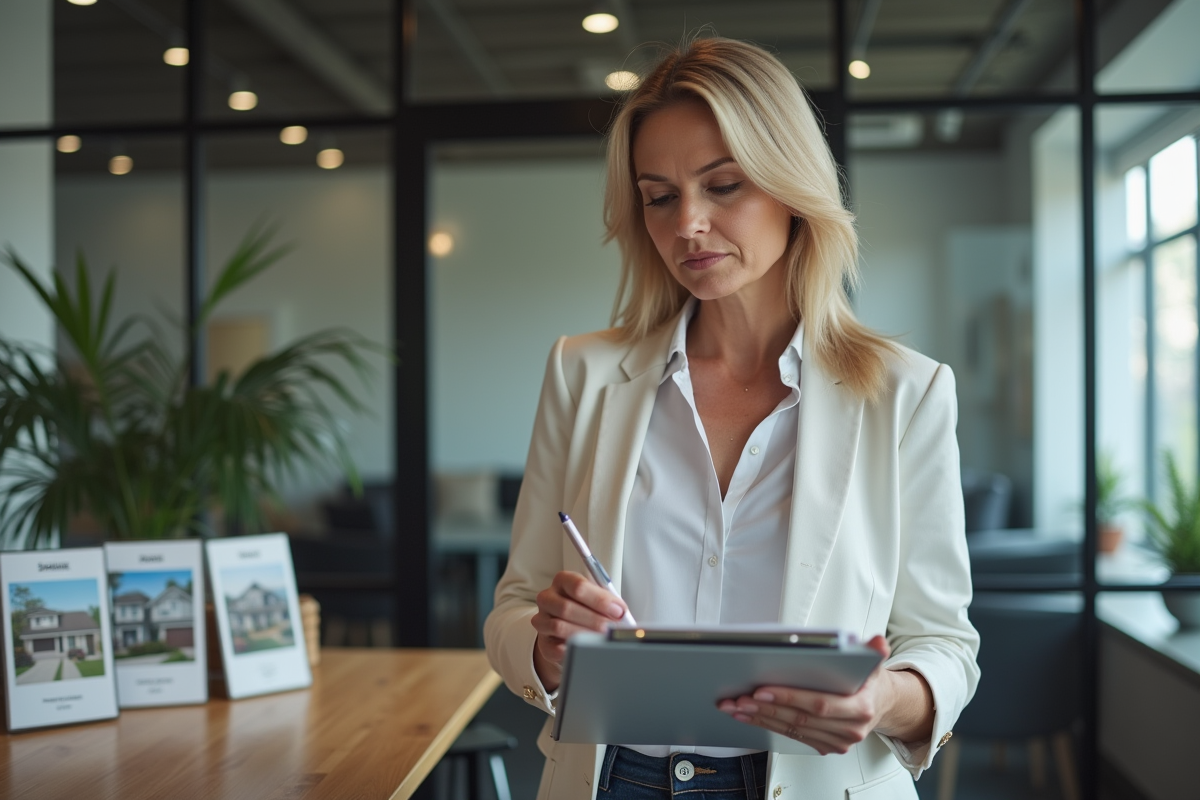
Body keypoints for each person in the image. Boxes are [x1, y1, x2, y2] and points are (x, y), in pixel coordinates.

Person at [483, 36, 979, 800]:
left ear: (791, 186)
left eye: (724, 185)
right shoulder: (582, 374)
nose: (687, 224)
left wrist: (881, 698)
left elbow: (943, 643)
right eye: (659, 196)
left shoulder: (906, 394)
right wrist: (550, 651)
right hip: (613, 782)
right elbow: (515, 610)